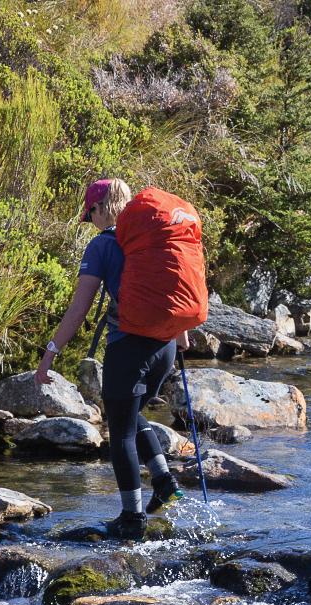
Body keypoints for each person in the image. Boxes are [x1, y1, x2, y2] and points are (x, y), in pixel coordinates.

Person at [35, 178, 186, 539]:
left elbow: (79, 309)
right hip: (164, 346)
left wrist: (50, 352)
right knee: (130, 414)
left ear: (101, 207)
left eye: (91, 213)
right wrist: (181, 334)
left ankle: (131, 519)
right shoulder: (155, 240)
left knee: (118, 432)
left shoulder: (103, 245)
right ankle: (164, 481)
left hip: (129, 348)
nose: (92, 221)